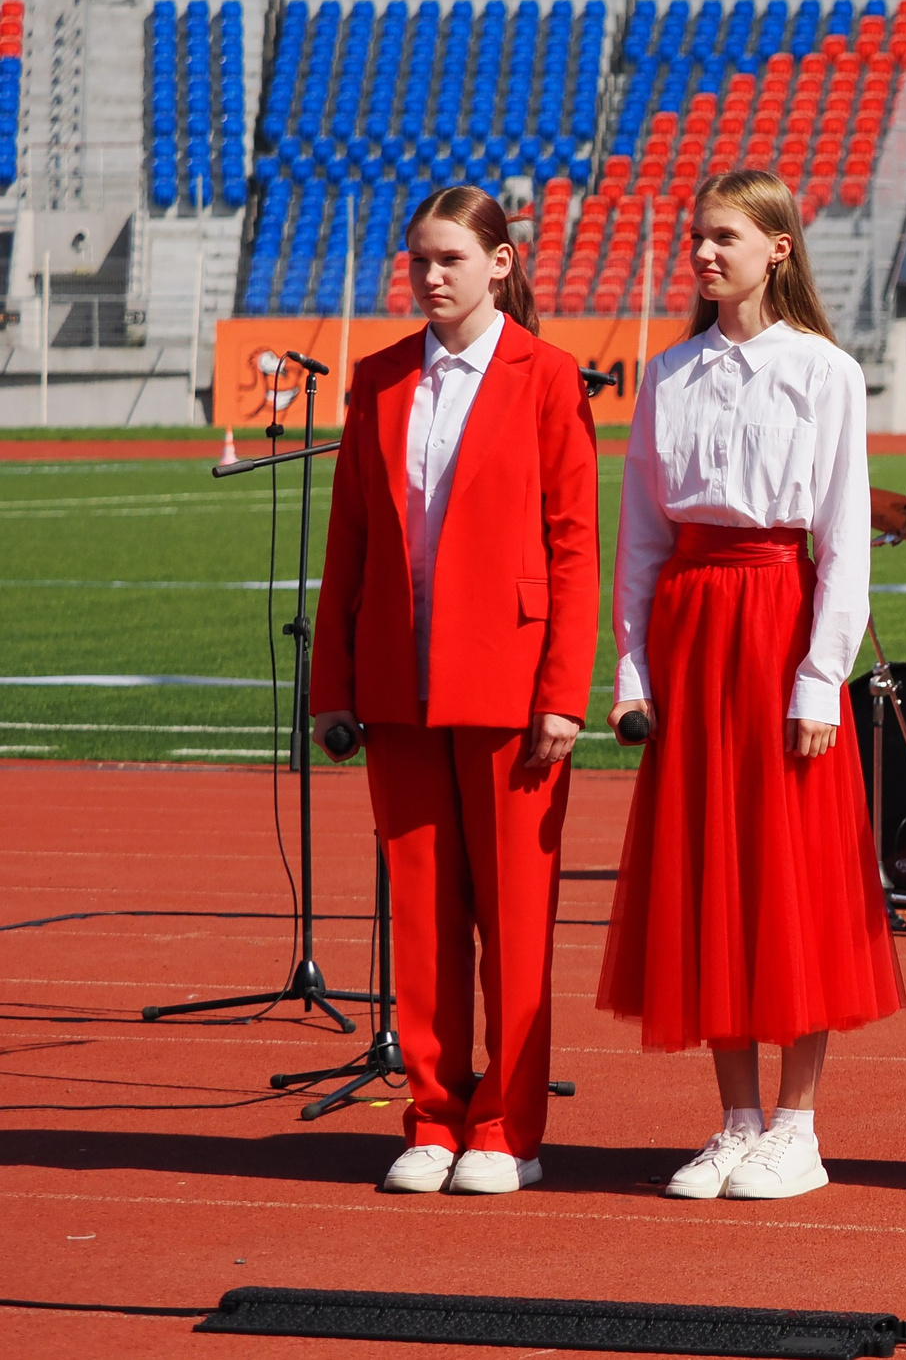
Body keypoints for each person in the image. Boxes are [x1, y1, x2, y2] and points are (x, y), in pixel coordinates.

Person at [598, 168, 905, 1201]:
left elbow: (845, 538)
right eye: (697, 238)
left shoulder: (822, 371)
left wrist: (821, 680)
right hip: (693, 626)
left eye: (723, 237)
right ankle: (735, 1121)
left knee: (792, 874)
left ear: (777, 247)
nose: (703, 254)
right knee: (707, 872)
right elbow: (641, 535)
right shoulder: (669, 372)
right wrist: (631, 667)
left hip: (778, 621)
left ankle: (800, 1124)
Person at [313, 185, 600, 1197]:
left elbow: (575, 547)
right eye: (419, 260)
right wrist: (332, 685)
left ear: (500, 265)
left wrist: (565, 691)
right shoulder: (381, 377)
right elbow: (348, 542)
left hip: (514, 687)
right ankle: (432, 1116)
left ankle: (507, 1127)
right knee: (425, 918)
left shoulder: (548, 377)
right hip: (397, 686)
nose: (430, 276)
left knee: (516, 921)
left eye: (449, 260)